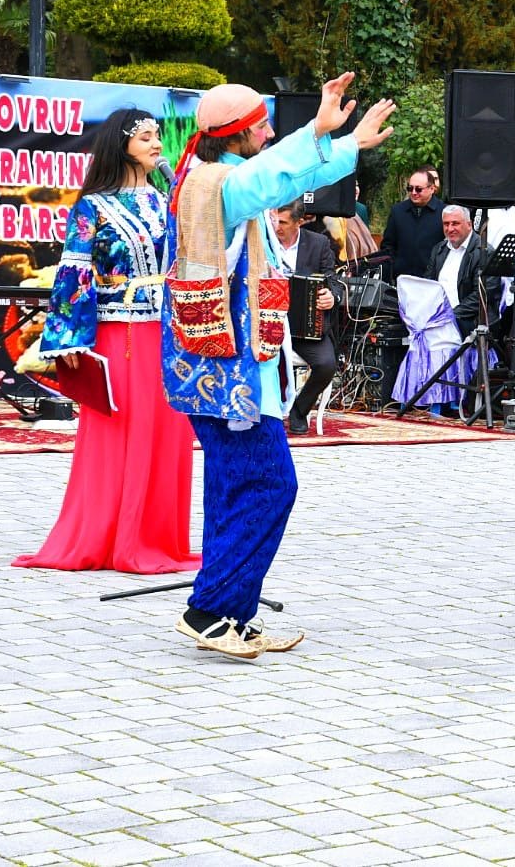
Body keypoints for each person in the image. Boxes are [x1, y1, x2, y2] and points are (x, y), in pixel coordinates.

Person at [163, 74, 394, 659]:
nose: (268, 134)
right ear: (235, 133)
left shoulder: (219, 179)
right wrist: (321, 132)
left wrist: (346, 145)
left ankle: (232, 615)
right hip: (228, 378)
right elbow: (273, 177)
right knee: (271, 485)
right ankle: (208, 609)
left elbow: (287, 178)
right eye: (262, 126)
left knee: (232, 490)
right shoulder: (219, 185)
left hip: (231, 371)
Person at [13, 109, 201, 574]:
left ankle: (157, 538)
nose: (156, 143)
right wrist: (71, 341)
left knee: (167, 432)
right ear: (122, 145)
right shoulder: (92, 207)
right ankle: (112, 538)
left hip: (166, 333)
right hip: (121, 335)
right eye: (145, 137)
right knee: (121, 430)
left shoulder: (167, 199)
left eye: (157, 135)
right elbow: (74, 273)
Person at [273, 201, 337, 436]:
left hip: (305, 327)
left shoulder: (318, 243)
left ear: (299, 222)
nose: (277, 227)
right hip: (270, 326)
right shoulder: (264, 241)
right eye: (274, 221)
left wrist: (331, 296)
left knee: (326, 364)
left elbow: (332, 280)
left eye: (283, 222)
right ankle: (266, 413)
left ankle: (299, 410)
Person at [425, 204, 489, 336]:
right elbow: (428, 284)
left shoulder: (483, 252)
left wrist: (450, 316)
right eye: (446, 224)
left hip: (469, 323)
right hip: (437, 321)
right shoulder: (439, 249)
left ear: (469, 224)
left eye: (455, 223)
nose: (450, 229)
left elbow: (481, 295)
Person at [380, 169, 444, 279]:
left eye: (418, 189)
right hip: (401, 279)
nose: (414, 192)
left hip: (432, 280)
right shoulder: (398, 211)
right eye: (410, 188)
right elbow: (388, 246)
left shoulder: (444, 212)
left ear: (432, 189)